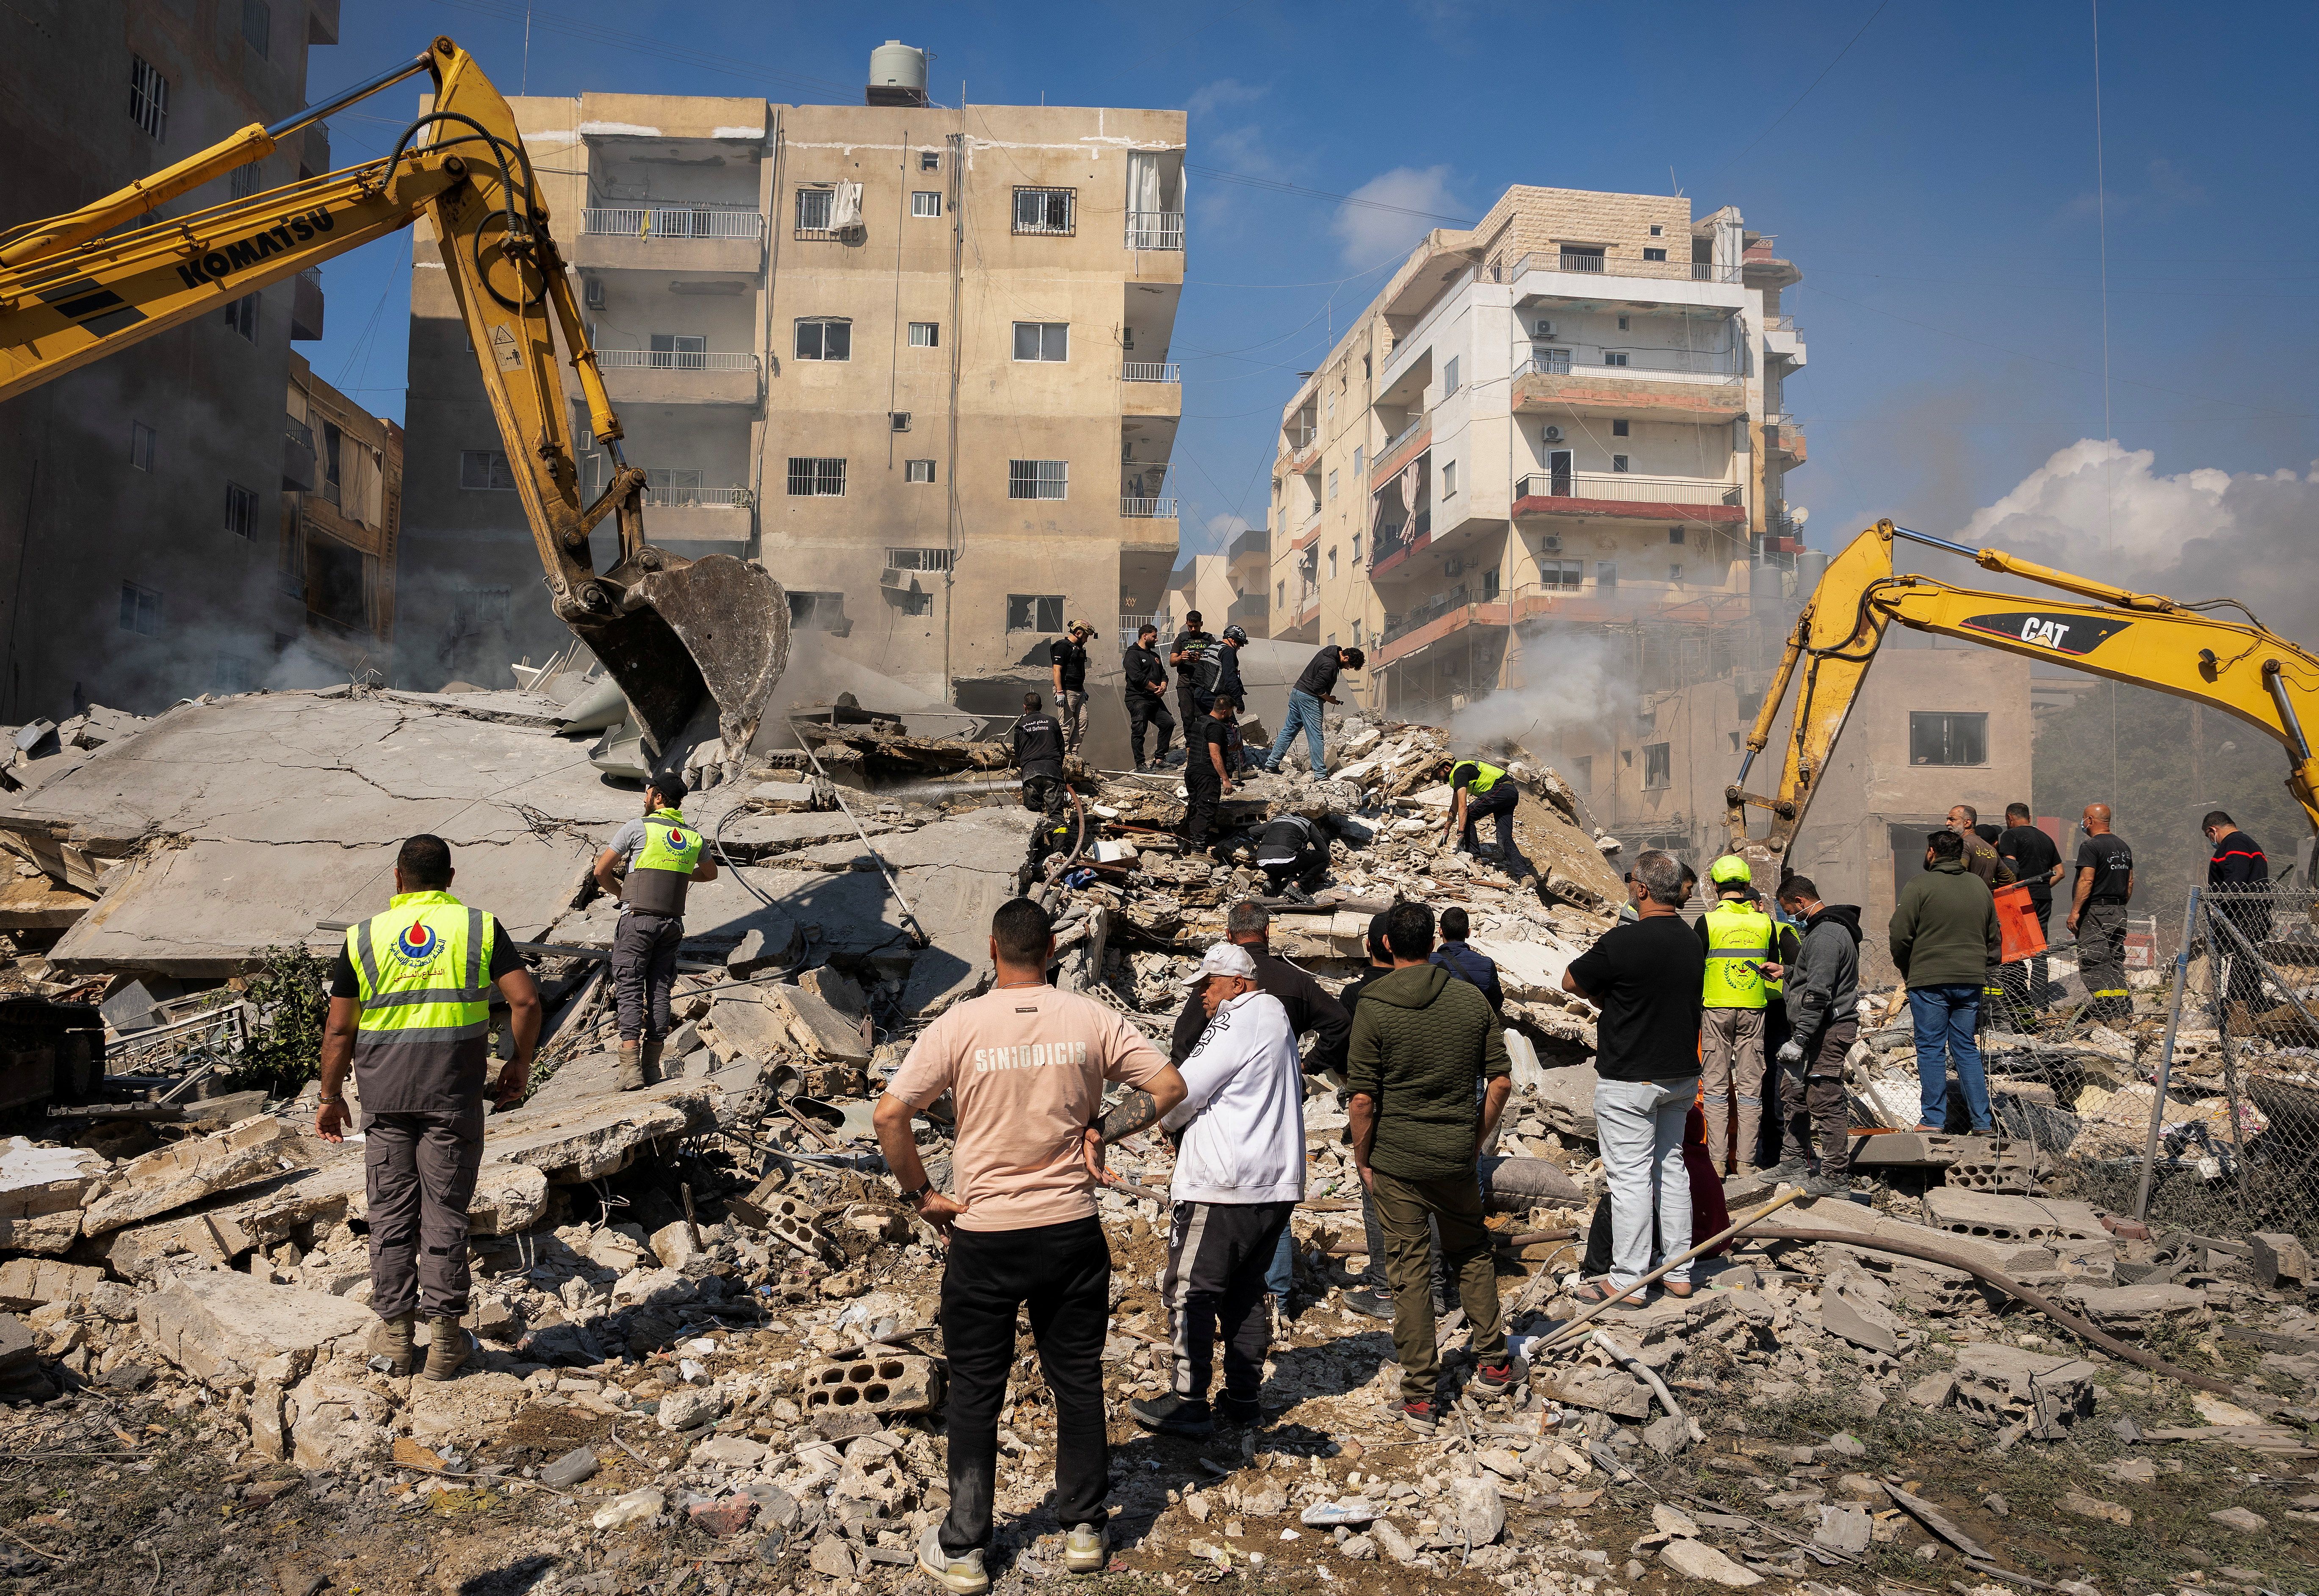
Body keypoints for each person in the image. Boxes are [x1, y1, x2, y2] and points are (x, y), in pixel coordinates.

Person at [874, 898, 1187, 1595]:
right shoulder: (1090, 1018)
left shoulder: (960, 1024)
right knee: (1075, 1378)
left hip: (984, 1234)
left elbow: (891, 1113)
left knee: (977, 1389)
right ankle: (1084, 1529)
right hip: (1069, 1228)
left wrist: (923, 1194)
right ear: (1051, 949)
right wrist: (1104, 1124)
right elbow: (1168, 1085)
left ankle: (964, 1547)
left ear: (992, 950)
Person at [316, 835, 542, 1382]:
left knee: (390, 1214)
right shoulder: (478, 928)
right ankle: (445, 1344)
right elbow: (527, 1000)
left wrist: (330, 1097)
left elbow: (340, 1029)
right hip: (452, 1094)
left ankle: (395, 1340)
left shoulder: (365, 936)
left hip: (385, 1099)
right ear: (451, 877)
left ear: (398, 879)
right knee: (445, 1212)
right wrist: (518, 1064)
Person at [1347, 902, 1515, 1435]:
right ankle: (1493, 1362)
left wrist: (1362, 1158)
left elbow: (1362, 1102)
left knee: (1409, 1269)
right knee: (1470, 1252)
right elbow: (1501, 1082)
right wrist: (1473, 1141)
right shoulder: (1470, 1000)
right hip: (1454, 1158)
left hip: (1396, 1162)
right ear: (1434, 940)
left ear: (1389, 945)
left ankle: (1420, 1396)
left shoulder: (1372, 1005)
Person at [1132, 943, 1307, 1439]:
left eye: (1209, 984)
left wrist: (1165, 1123)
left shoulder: (1238, 1017)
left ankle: (1188, 1401)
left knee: (1190, 1289)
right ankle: (1244, 1397)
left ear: (1237, 983)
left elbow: (1181, 1089)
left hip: (1225, 1183)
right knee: (1246, 1290)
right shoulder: (1276, 1018)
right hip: (1274, 1181)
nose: (1203, 996)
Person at [1169, 902, 1351, 1327]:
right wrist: (1306, 1064)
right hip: (1281, 1108)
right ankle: (1278, 1298)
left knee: (1223, 1213)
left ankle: (1216, 1316)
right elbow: (1340, 1022)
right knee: (1271, 1197)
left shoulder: (1224, 989)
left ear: (1230, 938)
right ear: (1266, 932)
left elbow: (1183, 1043)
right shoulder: (1295, 981)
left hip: (1227, 1115)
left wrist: (1188, 1093)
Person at [1561, 850, 1702, 1304]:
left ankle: (1627, 1280)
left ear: (1640, 889)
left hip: (1631, 1079)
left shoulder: (1622, 942)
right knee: (1671, 1170)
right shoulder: (1690, 939)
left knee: (1630, 1180)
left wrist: (1609, 1000)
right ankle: (1680, 1271)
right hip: (1680, 1076)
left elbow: (1570, 980)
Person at [592, 773, 719, 1091]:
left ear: (659, 797)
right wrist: (678, 878)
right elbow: (711, 873)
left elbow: (600, 871)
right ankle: (651, 1067)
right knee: (660, 989)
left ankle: (631, 1069)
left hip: (637, 919)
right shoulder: (693, 837)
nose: (644, 796)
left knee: (630, 986)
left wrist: (623, 893)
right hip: (672, 924)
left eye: (648, 791)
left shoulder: (638, 827)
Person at [1890, 830, 2001, 1132]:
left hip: (1929, 980)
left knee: (1931, 1048)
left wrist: (1908, 969)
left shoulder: (1920, 885)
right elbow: (1994, 936)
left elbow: (1900, 933)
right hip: (1970, 980)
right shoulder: (1979, 887)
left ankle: (1933, 1120)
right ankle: (1982, 1121)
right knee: (1965, 1047)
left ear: (1931, 852)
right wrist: (1980, 967)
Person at [1772, 876, 1862, 1195]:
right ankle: (1794, 1158)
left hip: (1826, 1029)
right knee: (1793, 1093)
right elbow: (1813, 975)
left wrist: (1800, 1039)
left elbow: (1819, 992)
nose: (1790, 917)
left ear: (1800, 901)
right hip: (1815, 1029)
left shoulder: (1826, 935)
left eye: (1789, 910)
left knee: (1824, 1100)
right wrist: (1787, 972)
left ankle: (1836, 1176)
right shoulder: (1821, 933)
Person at [1692, 855, 1775, 1177]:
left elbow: (1695, 966)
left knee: (1714, 1088)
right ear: (1747, 886)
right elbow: (1774, 966)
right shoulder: (1764, 922)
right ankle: (1746, 1164)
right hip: (1754, 1008)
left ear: (1714, 887)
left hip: (1715, 1008)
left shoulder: (1708, 922)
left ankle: (1716, 1164)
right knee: (1751, 1089)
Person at [2067, 804, 2135, 1023]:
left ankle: (2106, 1014)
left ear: (2089, 820)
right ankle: (2121, 1013)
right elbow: (2130, 882)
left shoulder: (2090, 846)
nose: (2082, 824)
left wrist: (2075, 912)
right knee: (2114, 960)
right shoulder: (2123, 847)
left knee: (2094, 960)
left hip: (2095, 911)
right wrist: (2119, 907)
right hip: (2118, 910)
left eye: (2083, 820)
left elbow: (2087, 879)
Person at [1996, 804, 2065, 1009]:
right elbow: (2060, 872)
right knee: (2040, 948)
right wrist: (2042, 887)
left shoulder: (2010, 836)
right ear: (2029, 817)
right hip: (2044, 898)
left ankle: (2014, 999)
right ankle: (2040, 1001)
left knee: (2013, 947)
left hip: (2021, 899)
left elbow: (2010, 868)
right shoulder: (2046, 838)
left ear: (2009, 818)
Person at [2204, 810, 2270, 1011]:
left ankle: (2240, 1006)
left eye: (2209, 837)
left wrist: (2219, 902)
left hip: (2241, 914)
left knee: (2240, 961)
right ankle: (2249, 1004)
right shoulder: (2248, 843)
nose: (2212, 841)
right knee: (2245, 961)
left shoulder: (2234, 844)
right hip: (2251, 912)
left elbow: (2235, 881)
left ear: (2212, 830)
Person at [1264, 644, 1365, 775]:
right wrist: (1330, 700)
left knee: (1289, 730)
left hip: (1297, 692)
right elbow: (1318, 687)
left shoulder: (1329, 651)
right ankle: (1320, 774)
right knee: (1316, 736)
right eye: (1349, 666)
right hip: (1310, 699)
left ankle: (1271, 765)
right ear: (1346, 658)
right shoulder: (1331, 664)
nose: (1347, 669)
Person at [1444, 756, 1536, 885]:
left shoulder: (1459, 773)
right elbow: (1454, 807)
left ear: (1446, 768)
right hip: (1510, 793)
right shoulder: (1462, 773)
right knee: (1504, 838)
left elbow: (1463, 808)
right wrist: (1446, 830)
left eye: (1438, 772)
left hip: (1501, 790)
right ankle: (1526, 876)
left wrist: (1460, 833)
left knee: (1468, 815)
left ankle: (1476, 858)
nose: (1438, 776)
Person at [1430, 906, 1505, 1016]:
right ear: (1468, 933)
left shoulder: (1427, 961)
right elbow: (1496, 1004)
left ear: (1440, 931)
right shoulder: (1487, 965)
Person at [1183, 699, 1236, 852]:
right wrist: (1226, 780)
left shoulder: (1201, 722)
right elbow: (1214, 754)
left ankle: (1192, 844)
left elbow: (1205, 748)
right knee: (1206, 810)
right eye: (1231, 712)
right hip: (1206, 775)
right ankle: (1199, 850)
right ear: (1225, 712)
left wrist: (1231, 748)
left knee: (1196, 808)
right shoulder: (1215, 727)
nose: (1231, 716)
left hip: (1193, 773)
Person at [1122, 623, 1176, 771]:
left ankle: (1160, 759)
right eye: (1154, 636)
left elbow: (1164, 674)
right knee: (1140, 730)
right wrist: (1155, 688)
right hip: (1138, 699)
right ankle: (1140, 764)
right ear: (1145, 636)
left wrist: (1164, 686)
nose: (1157, 639)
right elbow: (1137, 677)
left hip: (1154, 699)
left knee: (1168, 724)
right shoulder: (1132, 654)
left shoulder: (1154, 656)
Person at [1011, 693, 1069, 818]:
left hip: (1030, 774)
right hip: (1052, 772)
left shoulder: (1020, 726)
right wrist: (1057, 767)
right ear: (1041, 706)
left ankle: (1038, 837)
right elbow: (1061, 749)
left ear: (1025, 707)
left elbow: (1018, 754)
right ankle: (1059, 837)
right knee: (1056, 815)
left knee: (1032, 816)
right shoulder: (1052, 722)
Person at [1254, 811, 1331, 901]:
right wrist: (1318, 872)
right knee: (1323, 859)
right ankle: (1296, 885)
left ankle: (1272, 881)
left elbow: (1253, 832)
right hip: (1287, 858)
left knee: (1284, 862)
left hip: (1262, 861)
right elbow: (1326, 855)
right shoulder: (1307, 824)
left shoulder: (1276, 821)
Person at [1049, 620, 1095, 754]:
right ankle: (1063, 756)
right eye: (1086, 637)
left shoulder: (1078, 649)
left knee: (1083, 722)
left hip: (1079, 692)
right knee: (1066, 726)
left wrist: (1083, 690)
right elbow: (1056, 671)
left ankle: (1073, 753)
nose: (1086, 640)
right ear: (1079, 633)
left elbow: (1077, 672)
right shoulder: (1062, 647)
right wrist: (1059, 692)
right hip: (1066, 691)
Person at [1169, 610, 1217, 738]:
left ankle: (1203, 744)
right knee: (1187, 715)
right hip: (1185, 684)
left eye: (1196, 626)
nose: (1193, 629)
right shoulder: (1181, 638)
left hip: (1203, 684)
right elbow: (1172, 662)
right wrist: (1182, 657)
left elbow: (1216, 661)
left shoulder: (1209, 639)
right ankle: (1190, 747)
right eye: (1190, 626)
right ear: (1186, 624)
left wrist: (1201, 658)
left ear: (1201, 623)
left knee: (1203, 715)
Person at [1946, 805, 2007, 887]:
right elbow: (2008, 878)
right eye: (1948, 819)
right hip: (1984, 898)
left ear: (1967, 823)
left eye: (1952, 819)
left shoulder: (1964, 844)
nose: (1947, 823)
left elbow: (1958, 872)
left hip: (1965, 897)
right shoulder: (1991, 849)